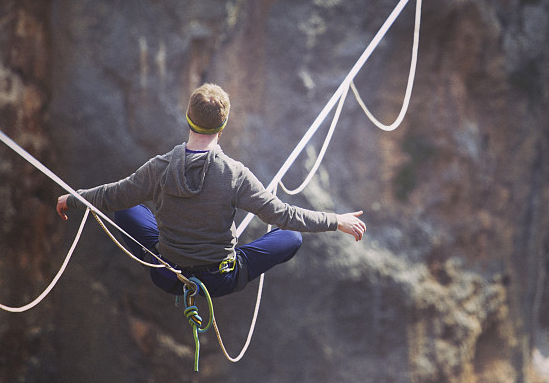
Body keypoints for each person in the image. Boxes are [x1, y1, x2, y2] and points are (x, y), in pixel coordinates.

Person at [56, 83, 366, 297]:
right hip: (219, 279)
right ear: (223, 125)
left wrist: (73, 198)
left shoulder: (160, 167)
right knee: (291, 238)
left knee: (122, 204)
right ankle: (222, 264)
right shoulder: (235, 175)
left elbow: (113, 196)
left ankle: (170, 255)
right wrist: (335, 220)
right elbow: (282, 215)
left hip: (168, 273)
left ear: (188, 118)